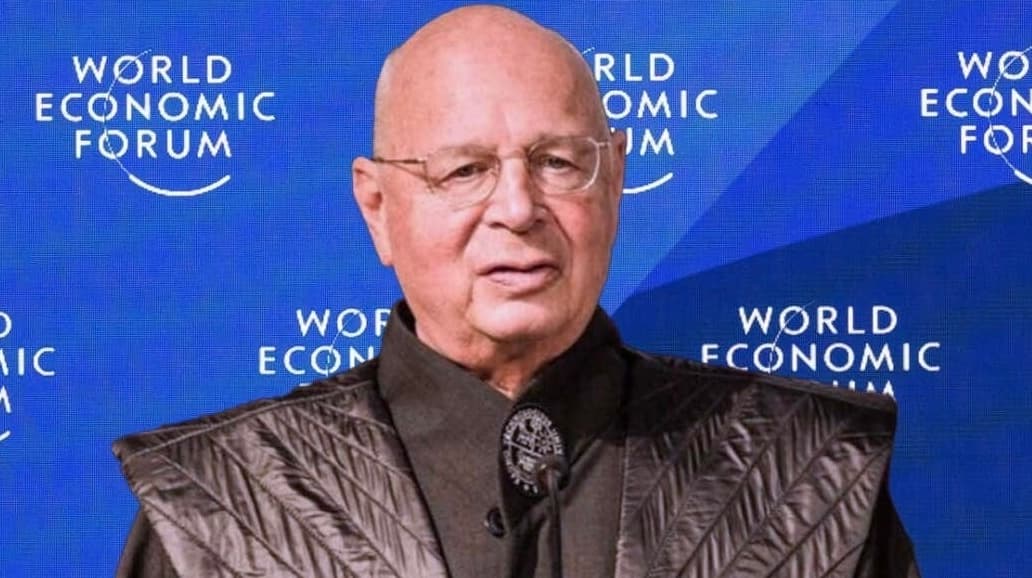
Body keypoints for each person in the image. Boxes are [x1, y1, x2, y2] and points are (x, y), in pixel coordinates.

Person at [113, 6, 920, 577]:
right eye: (464, 170)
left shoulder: (808, 473)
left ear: (615, 182)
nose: (517, 207)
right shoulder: (220, 507)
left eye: (557, 162)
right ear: (378, 208)